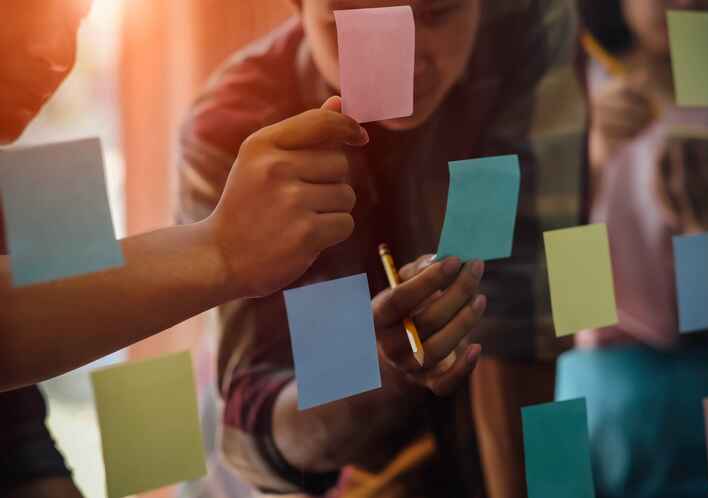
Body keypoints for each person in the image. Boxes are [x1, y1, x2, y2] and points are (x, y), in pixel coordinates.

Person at [176, 1, 585, 497]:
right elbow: (254, 436)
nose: (404, 58)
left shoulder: (523, 26)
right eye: (360, 22)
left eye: (438, 13)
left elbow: (523, 318)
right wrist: (384, 369)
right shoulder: (235, 125)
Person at [0, 0, 369, 392]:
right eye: (19, 9)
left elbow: (19, 422)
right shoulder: (236, 114)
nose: (56, 55)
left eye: (77, 22)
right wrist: (221, 250)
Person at [557, 1, 708, 497]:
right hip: (590, 381)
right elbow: (551, 301)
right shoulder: (569, 109)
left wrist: (704, 232)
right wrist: (589, 164)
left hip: (700, 374)